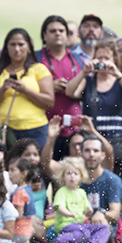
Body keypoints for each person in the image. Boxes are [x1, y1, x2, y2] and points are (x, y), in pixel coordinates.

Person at [65, 40, 122, 188]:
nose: (103, 62)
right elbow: (70, 92)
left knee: (114, 183)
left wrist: (116, 73)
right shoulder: (89, 81)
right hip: (91, 140)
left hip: (115, 140)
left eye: (107, 58)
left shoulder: (120, 81)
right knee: (89, 182)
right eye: (99, 58)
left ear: (113, 60)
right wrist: (84, 72)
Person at [0, 28, 54, 148]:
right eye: (12, 44)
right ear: (6, 47)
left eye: (21, 44)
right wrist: (3, 89)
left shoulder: (39, 69)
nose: (17, 49)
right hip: (6, 130)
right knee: (6, 165)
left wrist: (26, 90)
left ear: (28, 46)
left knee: (35, 164)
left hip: (35, 129)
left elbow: (49, 102)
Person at [36, 16, 84, 160]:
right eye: (53, 31)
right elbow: (27, 88)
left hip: (73, 131)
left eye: (62, 30)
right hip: (44, 129)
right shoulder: (36, 58)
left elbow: (83, 90)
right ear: (44, 35)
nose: (58, 34)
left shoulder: (77, 59)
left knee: (73, 176)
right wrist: (50, 87)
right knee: (45, 173)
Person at [53, 157, 110, 243]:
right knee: (85, 232)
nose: (72, 176)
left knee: (104, 228)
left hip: (79, 225)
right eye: (69, 173)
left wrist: (89, 211)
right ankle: (59, 242)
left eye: (76, 173)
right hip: (65, 225)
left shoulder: (81, 192)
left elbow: (86, 209)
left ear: (81, 176)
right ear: (63, 176)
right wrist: (69, 213)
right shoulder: (62, 191)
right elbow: (60, 207)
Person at [79, 135, 122, 230]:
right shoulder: (74, 179)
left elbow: (115, 216)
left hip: (107, 227)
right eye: (87, 150)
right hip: (80, 227)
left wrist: (102, 212)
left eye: (96, 151)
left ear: (103, 155)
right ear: (80, 154)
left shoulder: (112, 180)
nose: (91, 154)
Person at [6, 157, 42, 243]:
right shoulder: (27, 188)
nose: (9, 173)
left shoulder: (19, 192)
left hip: (18, 232)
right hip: (27, 231)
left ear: (24, 173)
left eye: (12, 170)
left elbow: (19, 215)